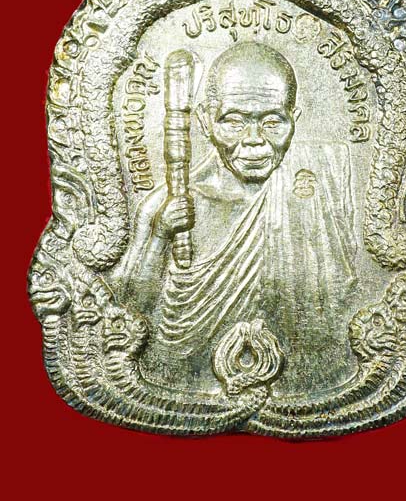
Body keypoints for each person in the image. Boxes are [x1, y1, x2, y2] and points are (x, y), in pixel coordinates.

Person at [115, 41, 357, 391]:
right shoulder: (164, 207)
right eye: (234, 121)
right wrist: (160, 235)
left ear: (295, 119)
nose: (254, 140)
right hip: (174, 385)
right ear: (205, 120)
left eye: (272, 122)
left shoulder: (321, 185)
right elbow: (127, 311)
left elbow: (344, 299)